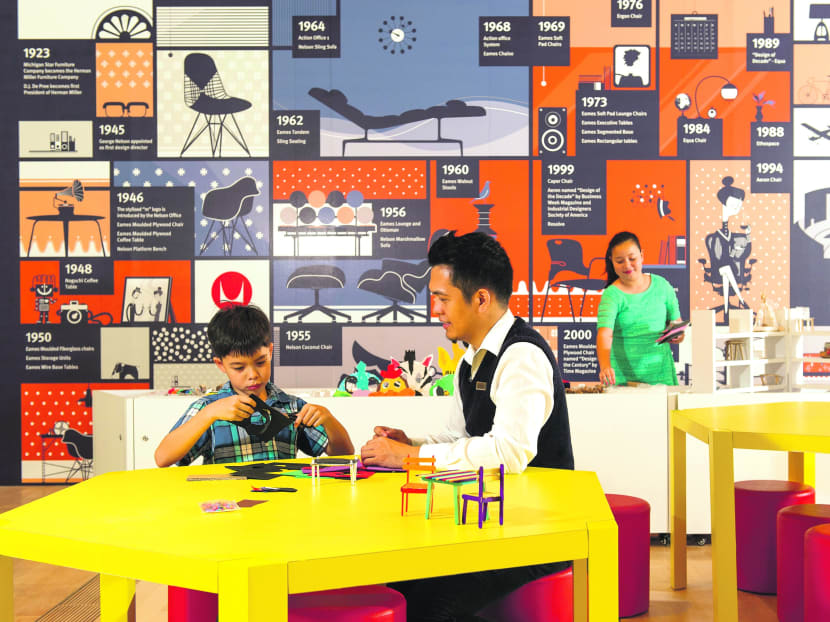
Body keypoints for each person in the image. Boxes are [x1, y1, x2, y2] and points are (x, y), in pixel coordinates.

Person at [361, 231, 574, 622]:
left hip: (535, 530)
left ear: (480, 299)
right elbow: (458, 439)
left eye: (442, 299)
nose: (434, 310)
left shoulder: (521, 356)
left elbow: (508, 453)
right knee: (399, 582)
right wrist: (411, 443)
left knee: (430, 604)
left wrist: (411, 457)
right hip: (489, 520)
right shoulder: (469, 360)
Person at [154, 304, 353, 467]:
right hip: (229, 507)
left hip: (282, 504)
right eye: (239, 367)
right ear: (220, 365)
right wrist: (209, 414)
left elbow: (345, 454)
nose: (253, 375)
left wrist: (328, 419)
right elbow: (163, 458)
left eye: (260, 362)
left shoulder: (291, 406)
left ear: (270, 352)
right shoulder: (209, 408)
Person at [596, 231, 683, 387]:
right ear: (612, 262)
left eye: (632, 258)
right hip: (623, 380)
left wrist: (677, 335)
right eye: (620, 261)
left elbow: (677, 324)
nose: (627, 265)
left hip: (661, 377)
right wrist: (605, 366)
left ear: (642, 255)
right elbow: (605, 333)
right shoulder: (612, 294)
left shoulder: (662, 286)